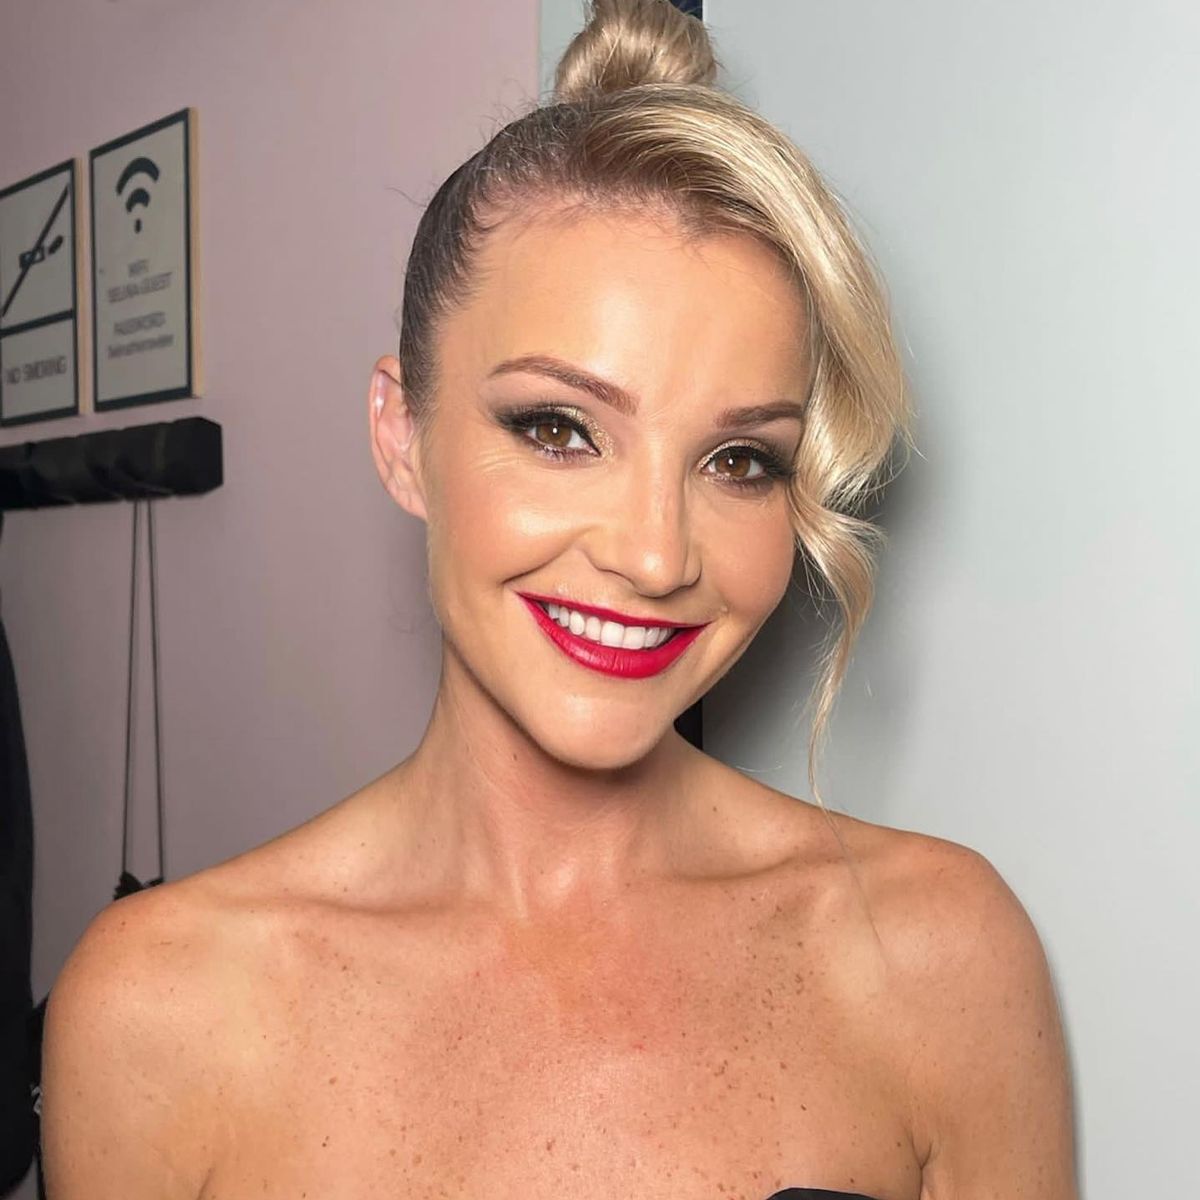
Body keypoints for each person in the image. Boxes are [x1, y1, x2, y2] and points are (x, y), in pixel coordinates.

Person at [38, 2, 1078, 1197]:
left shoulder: (941, 957)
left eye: (739, 460)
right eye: (559, 429)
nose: (655, 556)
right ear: (404, 435)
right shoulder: (159, 1011)